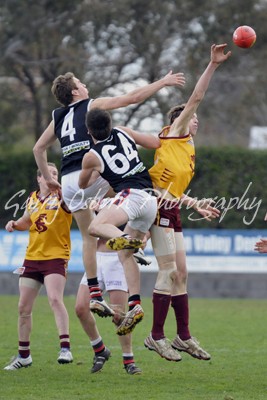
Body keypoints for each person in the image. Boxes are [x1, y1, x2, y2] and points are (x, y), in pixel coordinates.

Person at [33, 71, 185, 318]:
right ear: (74, 91)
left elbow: (38, 148)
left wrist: (49, 180)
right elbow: (131, 98)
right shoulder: (90, 106)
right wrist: (163, 82)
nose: (84, 85)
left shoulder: (57, 116)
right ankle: (137, 239)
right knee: (130, 181)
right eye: (80, 83)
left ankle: (94, 291)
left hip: (69, 180)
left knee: (87, 237)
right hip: (90, 170)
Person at [144, 44, 231, 361]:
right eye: (190, 116)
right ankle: (156, 336)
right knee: (167, 272)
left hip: (173, 208)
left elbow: (173, 189)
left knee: (181, 272)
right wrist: (212, 66)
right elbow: (196, 98)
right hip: (157, 209)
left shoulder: (186, 149)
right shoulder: (176, 131)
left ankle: (183, 336)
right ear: (179, 119)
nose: (195, 119)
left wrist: (194, 204)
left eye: (194, 118)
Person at [78, 108, 161, 335]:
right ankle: (135, 304)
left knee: (95, 227)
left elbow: (82, 184)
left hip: (131, 196)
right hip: (151, 201)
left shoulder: (91, 155)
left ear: (88, 130)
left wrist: (92, 169)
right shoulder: (123, 132)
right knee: (124, 256)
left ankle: (128, 240)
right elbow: (155, 142)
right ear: (110, 122)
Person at [4, 163, 74, 370]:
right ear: (39, 178)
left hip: (56, 256)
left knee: (54, 298)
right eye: (48, 173)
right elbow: (27, 221)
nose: (52, 176)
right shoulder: (32, 199)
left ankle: (65, 348)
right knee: (23, 308)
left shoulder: (62, 196)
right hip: (32, 258)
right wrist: (15, 224)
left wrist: (61, 188)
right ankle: (23, 356)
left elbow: (72, 207)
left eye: (55, 173)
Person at [76, 236, 142, 375]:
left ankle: (129, 360)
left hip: (117, 258)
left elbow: (145, 227)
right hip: (95, 258)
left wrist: (142, 241)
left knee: (119, 315)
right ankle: (100, 350)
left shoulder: (126, 213)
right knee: (81, 308)